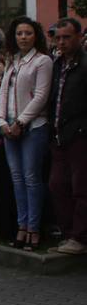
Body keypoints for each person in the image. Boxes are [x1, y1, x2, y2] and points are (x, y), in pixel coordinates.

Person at [0, 17, 52, 252]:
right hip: (9, 127)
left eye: (28, 33)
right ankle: (21, 226)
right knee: (17, 179)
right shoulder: (13, 61)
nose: (23, 37)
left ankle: (34, 228)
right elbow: (2, 95)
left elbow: (41, 96)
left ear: (35, 36)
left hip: (33, 127)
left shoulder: (42, 61)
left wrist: (20, 121)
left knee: (31, 178)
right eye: (19, 33)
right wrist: (1, 121)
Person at [48, 18, 87, 255]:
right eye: (58, 37)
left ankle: (80, 237)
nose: (61, 42)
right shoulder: (57, 64)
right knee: (57, 185)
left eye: (67, 37)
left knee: (80, 186)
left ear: (79, 37)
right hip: (58, 134)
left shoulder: (84, 64)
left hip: (80, 134)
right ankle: (68, 232)